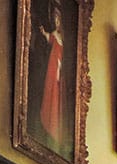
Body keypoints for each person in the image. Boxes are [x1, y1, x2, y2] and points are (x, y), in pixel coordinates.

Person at [38, 6, 65, 151]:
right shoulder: (54, 34)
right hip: (52, 68)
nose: (56, 21)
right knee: (51, 93)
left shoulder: (62, 38)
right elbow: (49, 38)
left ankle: (54, 130)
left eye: (57, 19)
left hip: (58, 68)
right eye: (54, 19)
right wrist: (43, 33)